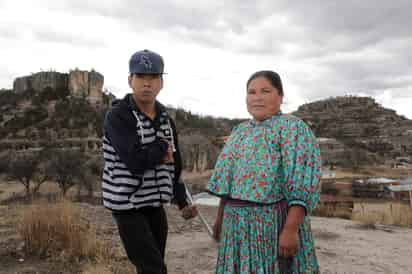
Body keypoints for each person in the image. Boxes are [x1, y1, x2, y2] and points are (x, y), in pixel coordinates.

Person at [208, 70, 322, 273]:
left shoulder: (293, 128)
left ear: (280, 96)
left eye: (265, 91)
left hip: (272, 227)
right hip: (235, 227)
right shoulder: (239, 131)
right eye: (251, 92)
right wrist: (220, 219)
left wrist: (290, 230)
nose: (257, 97)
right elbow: (228, 183)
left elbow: (301, 183)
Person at [102, 49, 197, 274]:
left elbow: (175, 164)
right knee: (154, 269)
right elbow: (134, 161)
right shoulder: (118, 116)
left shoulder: (165, 119)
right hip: (128, 206)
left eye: (153, 77)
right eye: (141, 77)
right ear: (130, 80)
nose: (147, 83)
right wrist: (162, 147)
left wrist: (181, 199)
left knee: (153, 266)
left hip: (155, 205)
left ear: (161, 82)